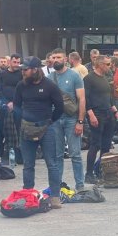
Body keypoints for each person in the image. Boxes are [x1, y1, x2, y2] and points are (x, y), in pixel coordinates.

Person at [14, 56, 64, 209]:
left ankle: (55, 196)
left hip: (46, 128)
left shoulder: (50, 86)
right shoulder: (21, 86)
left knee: (52, 163)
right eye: (22, 69)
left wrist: (50, 121)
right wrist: (21, 125)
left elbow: (60, 107)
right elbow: (16, 107)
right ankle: (28, 194)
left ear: (35, 70)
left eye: (26, 69)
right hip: (27, 128)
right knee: (28, 164)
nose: (23, 72)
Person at [49, 48, 86, 190]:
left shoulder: (74, 76)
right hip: (55, 120)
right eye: (53, 57)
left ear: (65, 59)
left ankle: (80, 185)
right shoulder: (49, 78)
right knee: (57, 155)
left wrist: (80, 121)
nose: (56, 60)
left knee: (75, 154)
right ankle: (57, 186)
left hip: (72, 119)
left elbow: (81, 99)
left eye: (59, 57)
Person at [83, 55, 118, 183]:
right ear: (100, 64)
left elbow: (109, 97)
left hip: (108, 113)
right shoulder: (89, 79)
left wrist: (115, 111)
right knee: (95, 144)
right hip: (96, 113)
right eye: (108, 64)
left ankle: (100, 171)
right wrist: (91, 114)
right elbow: (86, 98)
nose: (110, 66)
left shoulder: (105, 78)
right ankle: (89, 174)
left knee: (106, 145)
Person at [0, 53, 23, 163]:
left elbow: (23, 90)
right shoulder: (1, 74)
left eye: (18, 62)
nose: (16, 64)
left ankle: (19, 156)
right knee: (0, 130)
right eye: (14, 62)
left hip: (18, 105)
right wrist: (6, 102)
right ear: (10, 62)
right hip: (4, 104)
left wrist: (14, 103)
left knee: (18, 130)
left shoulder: (22, 74)